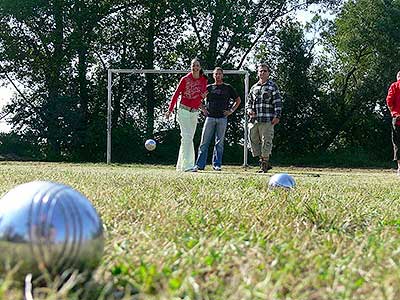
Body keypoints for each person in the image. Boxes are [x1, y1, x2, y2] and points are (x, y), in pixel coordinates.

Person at [165, 58, 208, 172]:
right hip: (183, 110)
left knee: (187, 139)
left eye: (197, 65)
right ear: (191, 67)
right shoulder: (185, 79)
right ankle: (188, 166)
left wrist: (202, 98)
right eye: (193, 65)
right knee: (187, 137)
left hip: (194, 112)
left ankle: (180, 165)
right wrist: (170, 109)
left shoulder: (204, 80)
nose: (195, 67)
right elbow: (175, 94)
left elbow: (201, 96)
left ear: (200, 67)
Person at [195, 67, 241, 171]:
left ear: (223, 75)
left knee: (219, 143)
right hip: (210, 118)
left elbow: (238, 100)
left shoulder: (228, 88)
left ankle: (217, 164)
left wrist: (231, 111)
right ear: (213, 75)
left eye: (220, 74)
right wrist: (203, 109)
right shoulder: (209, 88)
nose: (218, 75)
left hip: (222, 118)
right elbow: (198, 99)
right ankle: (200, 165)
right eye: (216, 74)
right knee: (204, 142)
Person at [246, 63, 282, 173]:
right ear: (257, 73)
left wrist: (277, 116)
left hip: (267, 119)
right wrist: (249, 111)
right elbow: (249, 102)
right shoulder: (254, 87)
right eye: (260, 71)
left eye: (264, 71)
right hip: (254, 120)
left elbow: (277, 102)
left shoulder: (272, 86)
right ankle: (262, 160)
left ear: (268, 73)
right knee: (253, 140)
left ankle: (264, 164)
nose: (262, 73)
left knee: (266, 141)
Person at [386, 70, 400, 175]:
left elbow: (389, 101)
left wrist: (393, 112)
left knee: (397, 143)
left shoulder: (394, 86)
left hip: (398, 118)